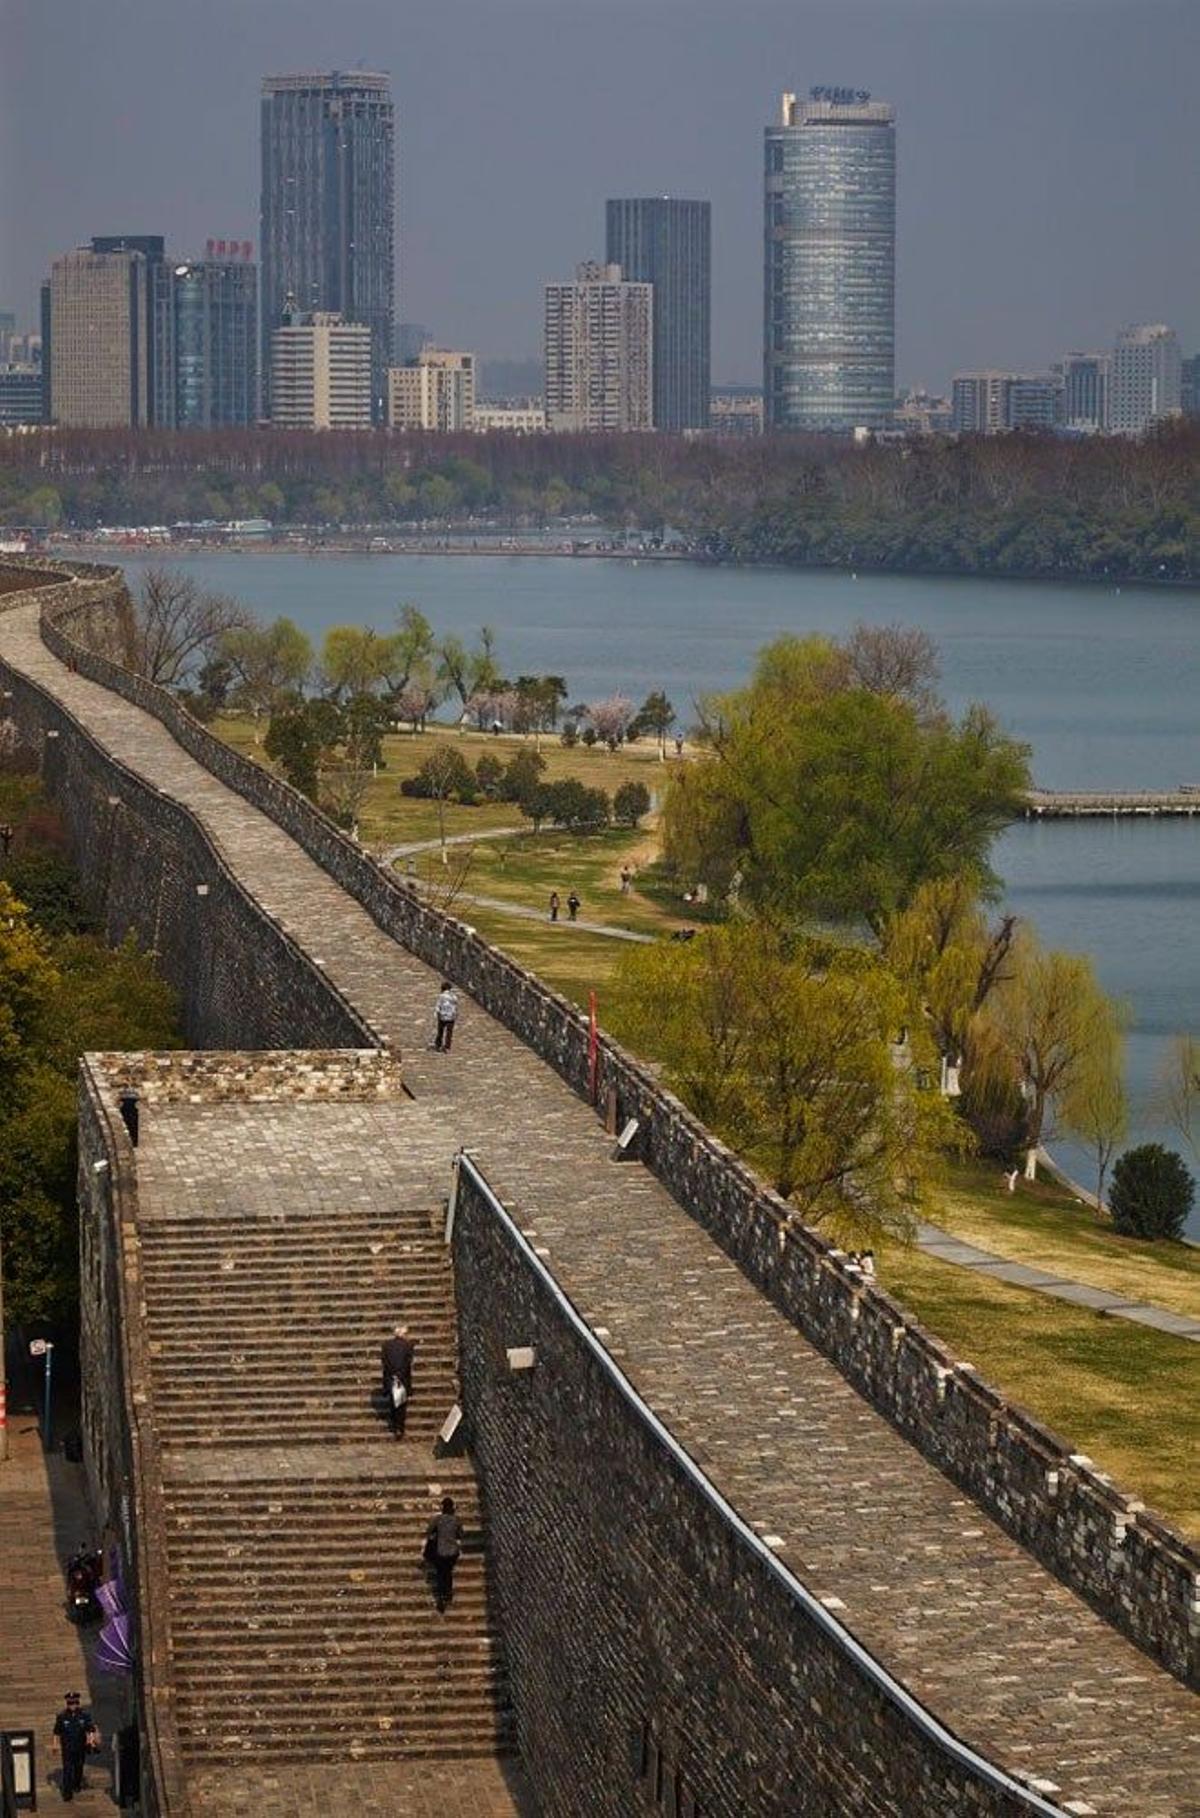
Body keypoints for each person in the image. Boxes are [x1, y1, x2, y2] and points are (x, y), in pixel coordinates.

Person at [53, 1691, 97, 1802]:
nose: (72, 1706)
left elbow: (90, 1729)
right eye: (70, 1703)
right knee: (67, 1769)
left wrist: (91, 1741)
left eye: (74, 1703)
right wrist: (55, 1745)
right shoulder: (62, 1717)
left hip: (80, 1747)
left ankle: (76, 1783)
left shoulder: (84, 1715)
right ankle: (67, 1793)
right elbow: (57, 1732)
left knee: (78, 1767)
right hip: (67, 1747)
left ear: (78, 1703)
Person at [424, 1496, 463, 1612]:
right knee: (448, 1572)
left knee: (440, 1574)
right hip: (452, 1552)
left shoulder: (438, 1519)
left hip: (440, 1551)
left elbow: (429, 1531)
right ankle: (448, 1593)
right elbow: (461, 1534)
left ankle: (441, 1596)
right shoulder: (456, 1520)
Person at [380, 1325, 416, 1438]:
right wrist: (400, 1375)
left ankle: (395, 1426)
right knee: (402, 1403)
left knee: (393, 1402)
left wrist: (393, 1375)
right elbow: (408, 1363)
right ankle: (400, 1427)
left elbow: (385, 1362)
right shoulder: (408, 1345)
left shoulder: (386, 1345)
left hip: (391, 1377)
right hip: (403, 1378)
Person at [433, 982, 458, 1051]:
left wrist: (436, 1013)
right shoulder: (454, 996)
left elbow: (438, 1006)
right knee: (449, 1032)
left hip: (443, 1016)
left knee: (440, 1031)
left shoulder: (442, 996)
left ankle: (438, 1044)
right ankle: (447, 1046)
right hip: (451, 1016)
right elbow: (455, 1006)